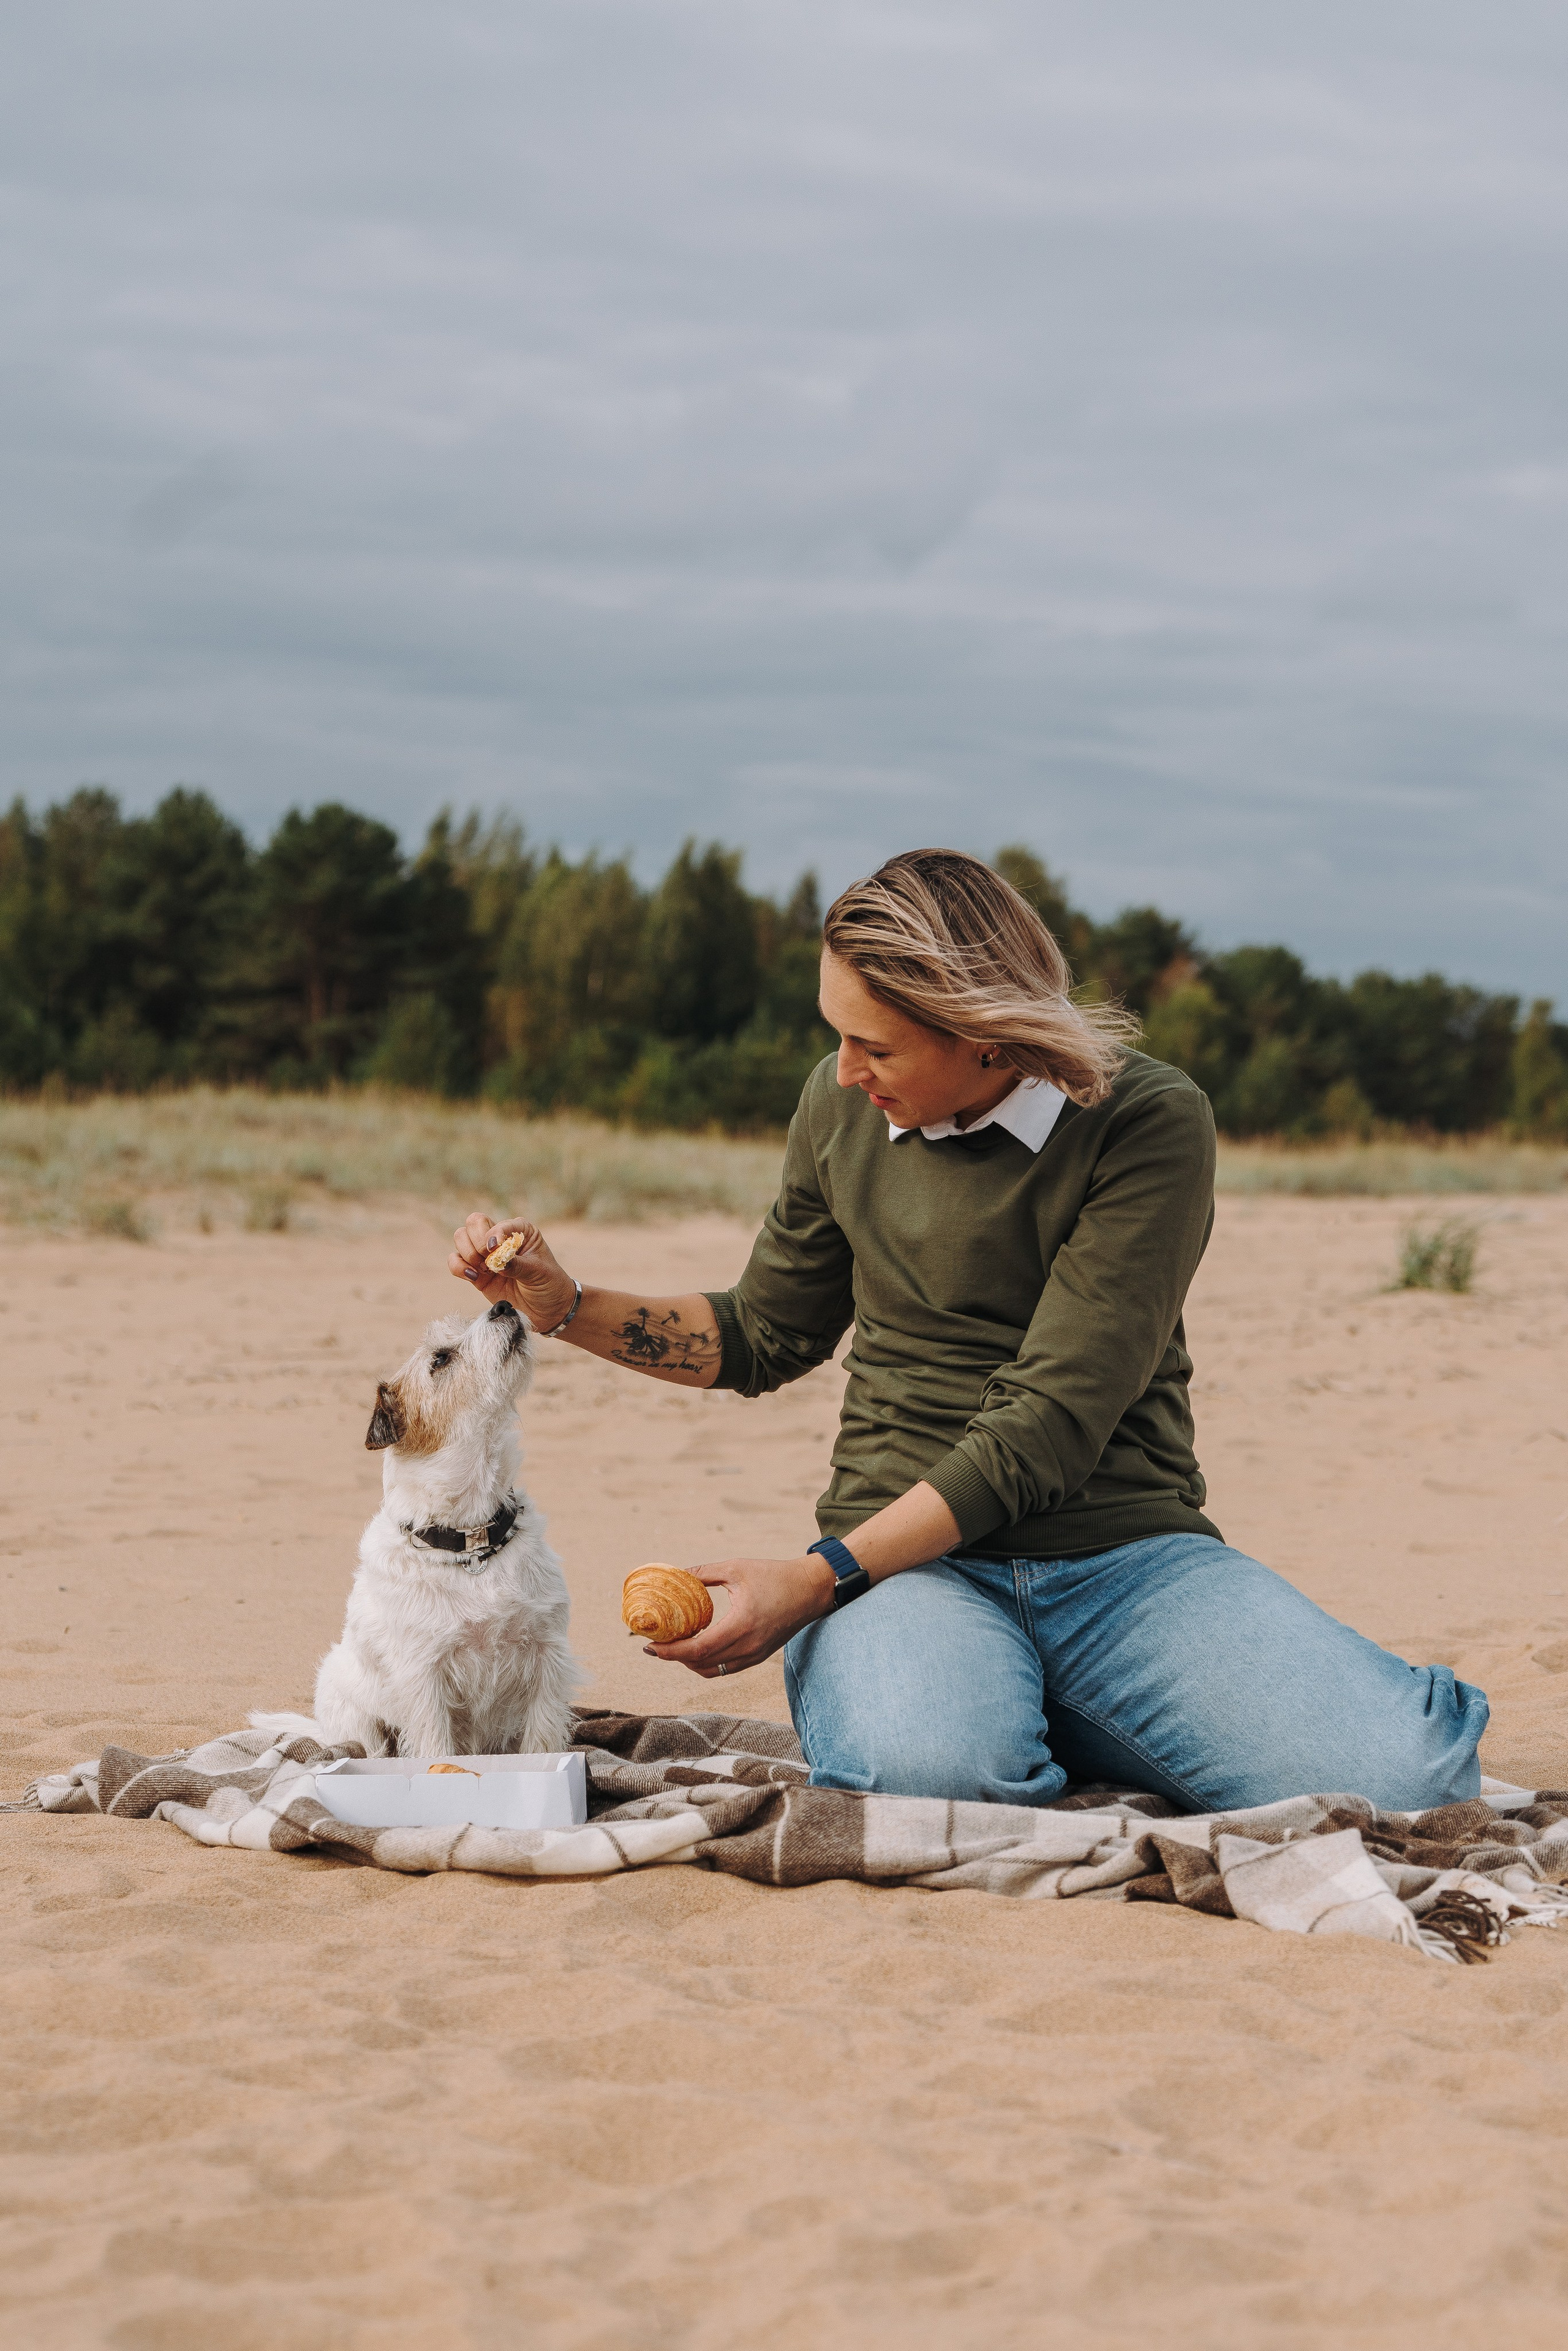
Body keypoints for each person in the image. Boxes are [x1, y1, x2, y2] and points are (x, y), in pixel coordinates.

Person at [449, 848, 1487, 1813]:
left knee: (1410, 1780)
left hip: (1123, 1556)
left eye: (875, 1044)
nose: (846, 1070)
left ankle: (1049, 1700)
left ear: (982, 1029)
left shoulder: (1149, 1121)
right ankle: (1015, 1702)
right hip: (902, 1568)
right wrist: (564, 1304)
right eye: (836, 1035)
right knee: (938, 1772)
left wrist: (815, 1581)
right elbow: (765, 1330)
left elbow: (1047, 1420)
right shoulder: (839, 1103)